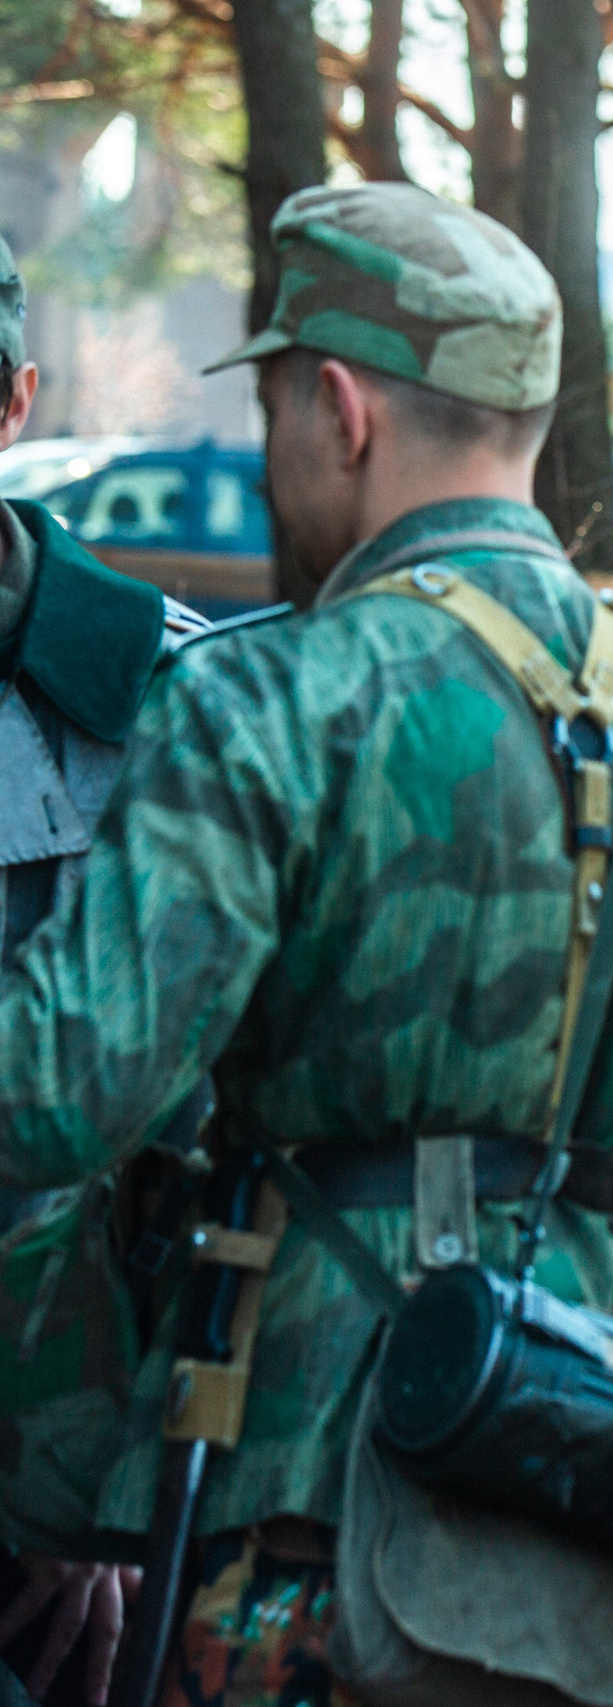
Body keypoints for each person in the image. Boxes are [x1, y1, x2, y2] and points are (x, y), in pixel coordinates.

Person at [0, 182, 613, 1704]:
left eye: (276, 405)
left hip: (316, 1494)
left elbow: (60, 1091)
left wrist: (63, 1461)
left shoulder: (268, 701)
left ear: (337, 407)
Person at [0, 229, 216, 1707]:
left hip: (54, 1486)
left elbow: (204, 1145)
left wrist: (93, 1480)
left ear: (13, 401)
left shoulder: (159, 695)